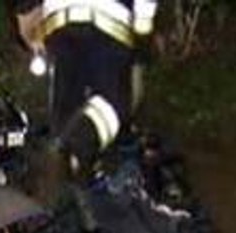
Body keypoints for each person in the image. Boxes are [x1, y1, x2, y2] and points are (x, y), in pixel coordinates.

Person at [13, 0, 158, 196]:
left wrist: (25, 12)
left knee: (66, 108)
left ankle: (67, 174)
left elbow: (27, 12)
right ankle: (71, 144)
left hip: (59, 22)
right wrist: (143, 35)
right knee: (114, 105)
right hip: (110, 23)